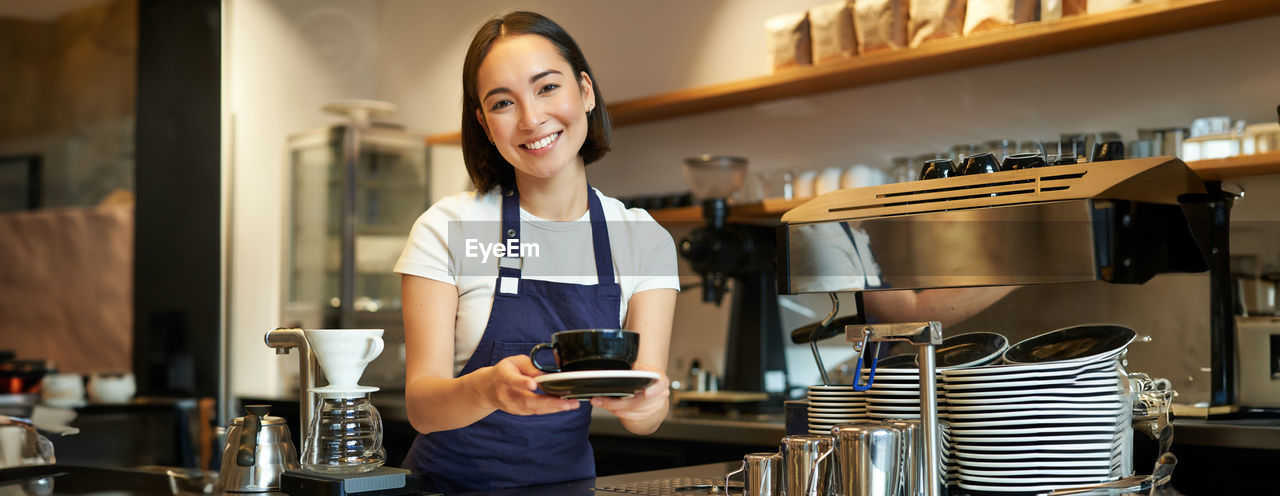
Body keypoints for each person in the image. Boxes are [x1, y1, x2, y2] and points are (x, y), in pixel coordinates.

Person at [392, 11, 679, 493]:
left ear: (585, 91)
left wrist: (648, 405)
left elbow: (647, 411)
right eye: (503, 102)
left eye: (547, 87)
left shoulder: (643, 239)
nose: (531, 119)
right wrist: (487, 388)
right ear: (485, 124)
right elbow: (422, 407)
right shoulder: (447, 228)